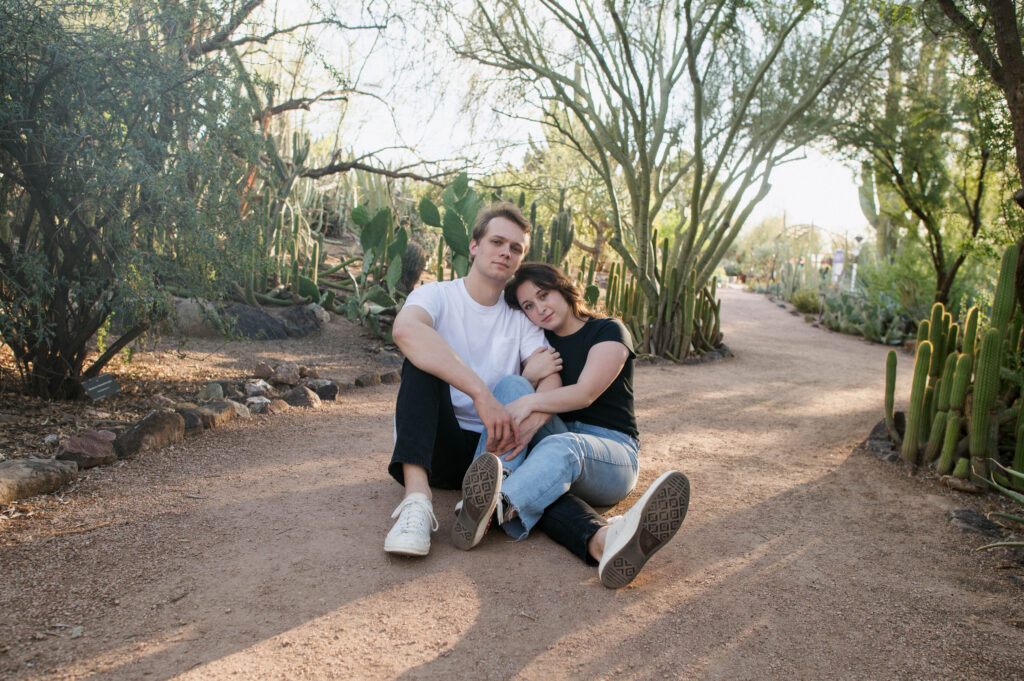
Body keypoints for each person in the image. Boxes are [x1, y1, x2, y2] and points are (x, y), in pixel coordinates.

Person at [455, 262, 690, 588]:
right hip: (558, 449)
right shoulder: (541, 340)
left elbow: (585, 394)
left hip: (611, 455)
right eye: (528, 306)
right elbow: (521, 395)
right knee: (512, 385)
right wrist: (526, 382)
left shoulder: (609, 331)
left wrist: (531, 402)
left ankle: (494, 504)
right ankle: (604, 538)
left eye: (543, 295)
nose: (540, 309)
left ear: (561, 287)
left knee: (555, 443)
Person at [384, 202, 560, 556]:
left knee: (522, 388)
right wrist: (481, 393)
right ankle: (417, 502)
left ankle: (487, 504)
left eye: (515, 248)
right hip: (439, 448)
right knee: (420, 362)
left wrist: (533, 416)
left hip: (497, 451)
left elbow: (550, 381)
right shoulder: (437, 295)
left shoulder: (520, 318)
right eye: (497, 242)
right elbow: (405, 329)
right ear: (475, 246)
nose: (505, 253)